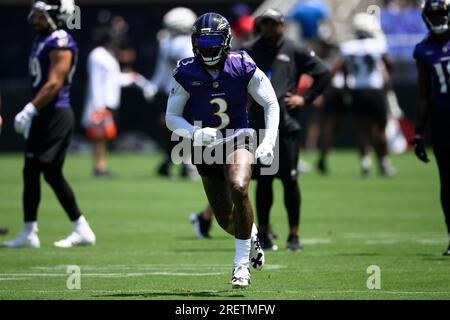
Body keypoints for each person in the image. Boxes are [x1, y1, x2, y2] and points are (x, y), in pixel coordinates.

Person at [166, 13, 280, 288]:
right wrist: (194, 133)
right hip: (204, 147)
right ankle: (250, 235)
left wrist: (268, 142)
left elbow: (271, 104)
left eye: (212, 41)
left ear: (225, 41)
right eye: (202, 42)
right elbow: (172, 117)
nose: (207, 48)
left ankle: (240, 266)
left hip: (238, 138)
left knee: (239, 188)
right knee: (225, 218)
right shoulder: (186, 70)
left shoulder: (242, 64)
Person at [3, 0, 95, 249]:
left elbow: (54, 83)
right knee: (36, 171)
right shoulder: (42, 39)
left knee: (45, 169)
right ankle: (30, 231)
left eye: (42, 15)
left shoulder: (60, 42)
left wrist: (30, 109)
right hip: (44, 113)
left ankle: (79, 228)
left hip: (56, 113)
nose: (35, 19)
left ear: (57, 15)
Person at [243, 9, 331, 251]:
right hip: (260, 126)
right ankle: (264, 232)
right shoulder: (250, 51)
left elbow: (323, 73)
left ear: (282, 25)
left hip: (287, 125)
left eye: (273, 24)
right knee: (264, 181)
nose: (269, 29)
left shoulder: (294, 49)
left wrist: (306, 98)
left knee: (290, 180)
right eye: (265, 24)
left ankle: (294, 234)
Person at [333, 13, 396, 177]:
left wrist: (347, 86)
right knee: (380, 129)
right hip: (374, 90)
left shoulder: (348, 47)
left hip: (358, 90)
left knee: (362, 129)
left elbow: (344, 69)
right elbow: (390, 64)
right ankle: (383, 162)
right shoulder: (377, 45)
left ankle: (365, 162)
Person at [137, 7, 198, 178]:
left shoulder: (167, 44)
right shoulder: (188, 44)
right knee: (183, 128)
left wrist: (151, 87)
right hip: (187, 93)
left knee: (176, 128)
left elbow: (161, 74)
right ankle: (183, 163)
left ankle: (175, 161)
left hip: (173, 93)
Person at [413, 0, 450, 256]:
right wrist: (418, 133)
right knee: (447, 182)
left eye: (441, 14)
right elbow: (424, 94)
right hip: (442, 119)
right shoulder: (423, 49)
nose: (438, 19)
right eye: (433, 15)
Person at [82, 24, 138, 178]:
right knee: (98, 138)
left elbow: (113, 79)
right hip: (99, 104)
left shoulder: (109, 55)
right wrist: (98, 107)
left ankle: (101, 167)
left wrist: (129, 78)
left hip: (108, 103)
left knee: (103, 138)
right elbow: (95, 81)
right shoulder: (97, 54)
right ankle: (98, 168)